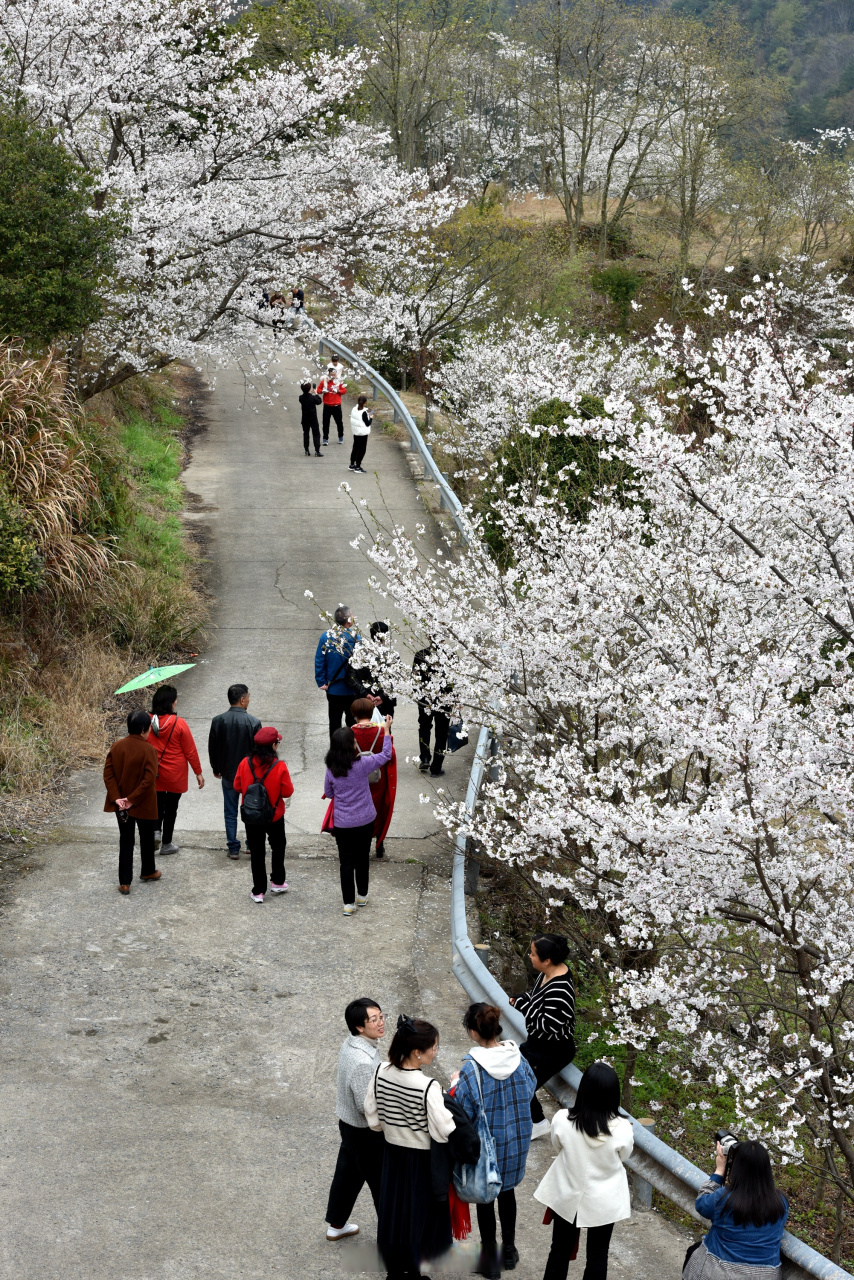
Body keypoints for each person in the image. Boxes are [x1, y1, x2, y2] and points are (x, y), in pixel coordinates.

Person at [364, 1015, 455, 1280]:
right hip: (421, 1162)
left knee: (393, 1215)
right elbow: (444, 1130)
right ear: (417, 1052)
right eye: (433, 1047)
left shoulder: (380, 1071)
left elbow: (373, 1117)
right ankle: (414, 1273)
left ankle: (394, 1272)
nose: (435, 1052)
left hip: (391, 1155)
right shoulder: (428, 1087)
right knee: (418, 1219)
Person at [451, 1003, 538, 1279]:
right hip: (516, 1140)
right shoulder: (519, 1059)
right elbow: (531, 1087)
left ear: (474, 1033)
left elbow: (462, 1111)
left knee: (486, 1198)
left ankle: (490, 1260)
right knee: (508, 1191)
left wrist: (453, 1083)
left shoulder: (471, 1070)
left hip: (487, 1146)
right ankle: (509, 1252)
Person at [533, 1061, 633, 1280]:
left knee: (559, 1250)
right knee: (598, 1256)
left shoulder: (562, 1119)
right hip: (604, 1201)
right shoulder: (623, 1128)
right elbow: (624, 1156)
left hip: (567, 1194)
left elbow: (557, 1146)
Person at [325, 998, 387, 1242]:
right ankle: (391, 1239)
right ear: (360, 1026)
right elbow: (367, 1106)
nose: (381, 1023)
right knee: (384, 1185)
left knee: (347, 1175)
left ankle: (336, 1224)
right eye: (374, 1020)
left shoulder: (354, 1043)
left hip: (350, 1126)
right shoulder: (362, 1060)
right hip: (366, 1132)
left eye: (381, 1016)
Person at [683, 1141, 788, 1280]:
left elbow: (702, 1205)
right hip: (765, 1275)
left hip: (721, 1273)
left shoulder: (724, 1198)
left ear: (736, 1169)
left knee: (694, 1252)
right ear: (766, 1169)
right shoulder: (781, 1202)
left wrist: (720, 1171)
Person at [323, 721, 393, 915]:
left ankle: (348, 904)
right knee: (362, 858)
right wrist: (386, 731)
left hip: (342, 821)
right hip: (365, 819)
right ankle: (362, 895)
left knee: (346, 861)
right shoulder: (362, 764)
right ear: (351, 746)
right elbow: (386, 755)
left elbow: (328, 793)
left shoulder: (331, 768)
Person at [511, 935, 576, 1138]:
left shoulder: (560, 989)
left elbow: (547, 1025)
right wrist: (524, 998)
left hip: (553, 1049)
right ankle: (528, 1119)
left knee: (522, 1082)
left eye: (533, 954)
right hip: (537, 1044)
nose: (530, 956)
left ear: (546, 960)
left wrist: (522, 1006)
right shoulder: (547, 973)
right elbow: (536, 997)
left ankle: (537, 1122)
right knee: (512, 1071)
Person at [232, 726, 294, 902]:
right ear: (273, 746)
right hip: (274, 815)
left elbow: (237, 786)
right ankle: (278, 881)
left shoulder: (245, 763)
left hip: (252, 816)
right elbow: (288, 791)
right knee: (278, 846)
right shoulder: (279, 766)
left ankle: (259, 891)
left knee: (257, 852)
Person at [103, 709, 160, 895]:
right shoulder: (149, 750)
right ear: (144, 729)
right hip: (143, 802)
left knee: (126, 840)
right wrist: (132, 799)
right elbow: (149, 780)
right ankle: (148, 871)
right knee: (146, 836)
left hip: (121, 805)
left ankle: (125, 882)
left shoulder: (117, 746)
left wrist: (118, 798)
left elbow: (108, 774)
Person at [147, 685, 204, 855]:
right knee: (171, 808)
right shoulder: (179, 724)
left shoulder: (147, 721)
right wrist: (198, 772)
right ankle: (166, 844)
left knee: (156, 804)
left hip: (154, 772)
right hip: (175, 774)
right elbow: (190, 751)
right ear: (171, 703)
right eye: (175, 699)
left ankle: (156, 831)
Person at [208, 683, 262, 859]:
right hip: (250, 775)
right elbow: (259, 752)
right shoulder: (254, 722)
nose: (248, 700)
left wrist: (216, 768)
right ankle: (251, 844)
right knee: (251, 808)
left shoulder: (218, 721)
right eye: (248, 697)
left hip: (228, 774)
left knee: (230, 811)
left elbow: (213, 748)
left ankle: (232, 846)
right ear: (242, 699)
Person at [350, 697, 397, 859]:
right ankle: (379, 842)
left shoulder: (348, 733)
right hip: (378, 776)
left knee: (357, 808)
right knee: (378, 807)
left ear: (353, 713)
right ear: (372, 712)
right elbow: (389, 752)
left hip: (356, 778)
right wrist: (387, 730)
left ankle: (358, 843)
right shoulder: (380, 730)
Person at [315, 606, 361, 737]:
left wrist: (321, 681)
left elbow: (319, 660)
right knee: (352, 722)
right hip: (352, 689)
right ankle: (352, 748)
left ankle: (336, 750)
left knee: (334, 721)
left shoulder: (326, 637)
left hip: (333, 687)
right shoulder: (355, 637)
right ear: (348, 620)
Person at [413, 642, 452, 777]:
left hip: (424, 698)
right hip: (444, 700)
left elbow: (415, 678)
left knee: (424, 727)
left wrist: (419, 695)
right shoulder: (450, 655)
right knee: (441, 733)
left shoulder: (421, 654)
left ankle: (424, 757)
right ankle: (436, 767)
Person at [349, 620, 398, 722]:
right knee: (385, 731)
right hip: (385, 702)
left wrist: (365, 694)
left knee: (362, 730)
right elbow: (397, 679)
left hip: (363, 702)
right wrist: (383, 696)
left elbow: (351, 677)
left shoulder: (360, 653)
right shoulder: (392, 655)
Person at [317, 363, 347, 445]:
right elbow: (318, 390)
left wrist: (338, 391)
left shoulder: (339, 381)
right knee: (325, 423)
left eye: (334, 374)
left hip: (337, 405)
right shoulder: (324, 381)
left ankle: (340, 436)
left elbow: (344, 391)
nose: (333, 376)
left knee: (339, 422)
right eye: (331, 374)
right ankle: (325, 438)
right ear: (328, 374)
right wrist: (322, 391)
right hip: (327, 405)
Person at [349, 395, 373, 473]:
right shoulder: (364, 413)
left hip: (356, 432)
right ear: (365, 403)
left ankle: (352, 464)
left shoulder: (354, 409)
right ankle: (358, 466)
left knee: (355, 447)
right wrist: (371, 417)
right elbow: (367, 423)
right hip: (363, 433)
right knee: (362, 450)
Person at [299, 381, 323, 457]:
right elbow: (319, 401)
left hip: (305, 418)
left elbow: (306, 396)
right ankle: (317, 451)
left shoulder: (301, 398)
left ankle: (306, 450)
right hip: (313, 418)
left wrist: (310, 393)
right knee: (316, 434)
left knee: (306, 434)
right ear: (310, 389)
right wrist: (315, 393)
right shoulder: (313, 398)